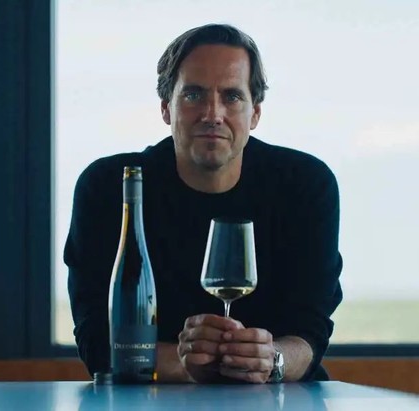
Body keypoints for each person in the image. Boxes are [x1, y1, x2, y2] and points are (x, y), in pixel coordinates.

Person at [64, 23, 343, 384]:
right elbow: (99, 344)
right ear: (166, 108)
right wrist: (187, 365)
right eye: (193, 95)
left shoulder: (305, 184)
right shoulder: (112, 186)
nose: (213, 114)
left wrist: (271, 360)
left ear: (255, 113)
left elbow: (309, 335)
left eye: (232, 96)